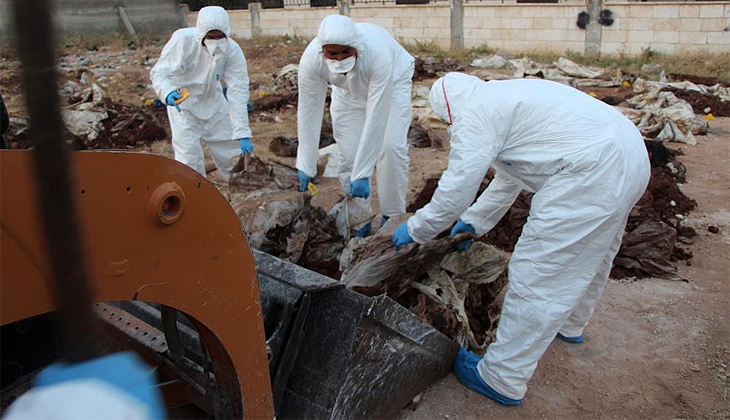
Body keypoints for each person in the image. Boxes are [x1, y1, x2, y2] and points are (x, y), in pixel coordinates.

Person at [392, 73, 650, 405]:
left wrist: (416, 230)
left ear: (447, 112)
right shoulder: (505, 99)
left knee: (538, 271)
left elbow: (456, 191)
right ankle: (570, 323)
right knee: (594, 250)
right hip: (630, 154)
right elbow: (511, 174)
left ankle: (502, 376)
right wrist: (474, 222)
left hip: (590, 167)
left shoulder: (474, 113)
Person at [296, 15, 414, 235]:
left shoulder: (377, 54)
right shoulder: (311, 60)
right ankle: (359, 219)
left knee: (391, 148)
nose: (339, 58)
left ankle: (392, 216)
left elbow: (377, 116)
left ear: (356, 48)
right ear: (323, 52)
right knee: (349, 154)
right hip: (347, 94)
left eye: (345, 52)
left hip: (392, 85)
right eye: (333, 53)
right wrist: (306, 161)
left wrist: (363, 173)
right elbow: (309, 109)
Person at [151, 6, 252, 180]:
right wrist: (167, 92)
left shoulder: (232, 50)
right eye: (211, 37)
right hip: (184, 106)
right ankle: (195, 199)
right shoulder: (183, 41)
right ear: (201, 34)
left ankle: (241, 191)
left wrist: (242, 132)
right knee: (189, 159)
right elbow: (159, 73)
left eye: (220, 36)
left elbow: (238, 91)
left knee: (233, 154)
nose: (216, 41)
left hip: (214, 103)